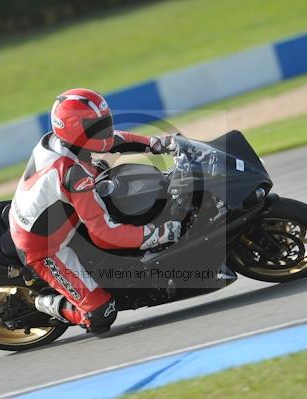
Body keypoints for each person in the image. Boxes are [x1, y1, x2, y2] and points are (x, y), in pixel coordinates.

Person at [9, 88, 181, 334]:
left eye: (105, 122)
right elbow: (104, 233)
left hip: (51, 213)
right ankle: (38, 302)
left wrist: (160, 144)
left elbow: (114, 140)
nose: (105, 131)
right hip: (45, 247)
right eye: (95, 126)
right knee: (101, 313)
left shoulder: (63, 141)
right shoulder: (72, 173)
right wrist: (156, 234)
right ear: (74, 129)